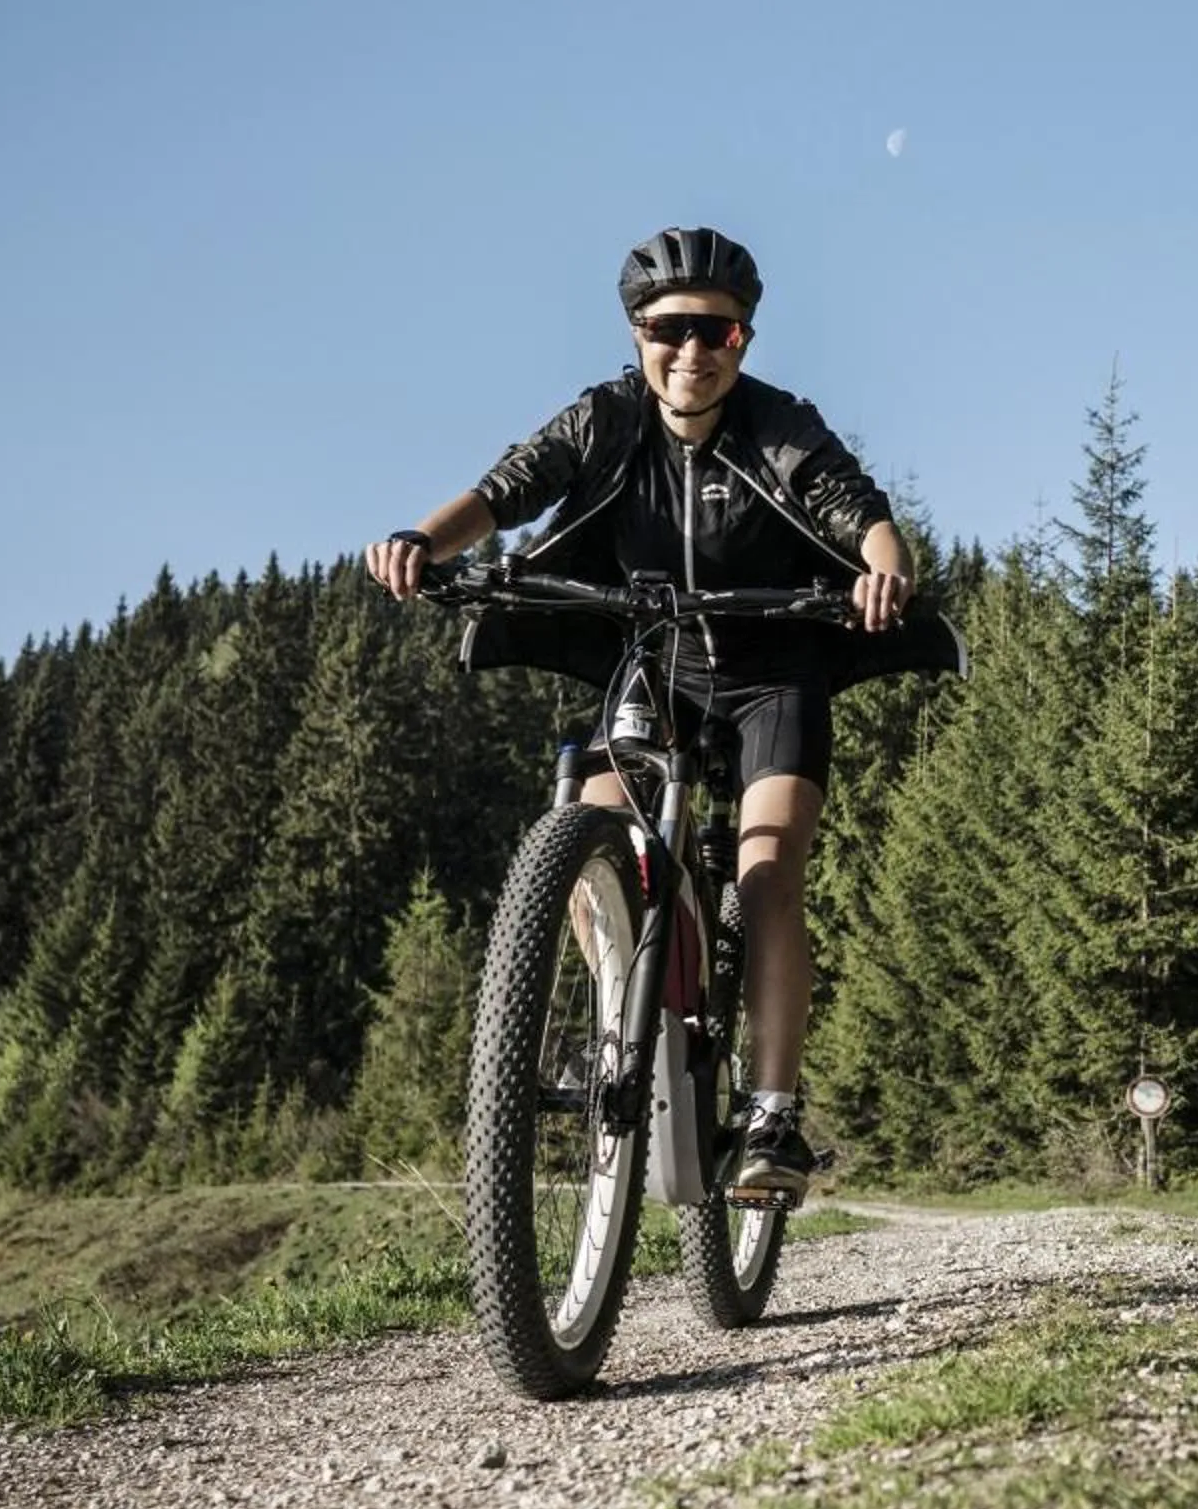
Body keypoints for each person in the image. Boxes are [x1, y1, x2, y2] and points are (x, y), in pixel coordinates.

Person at [366, 226, 921, 1196]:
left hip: (773, 673)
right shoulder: (605, 421)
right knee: (584, 824)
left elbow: (855, 508)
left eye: (717, 331)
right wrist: (423, 538)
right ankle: (626, 1004)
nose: (693, 351)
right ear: (638, 333)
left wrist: (883, 569)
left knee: (767, 872)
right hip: (652, 663)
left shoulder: (780, 426)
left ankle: (774, 1117)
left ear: (743, 339)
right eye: (670, 329)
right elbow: (504, 493)